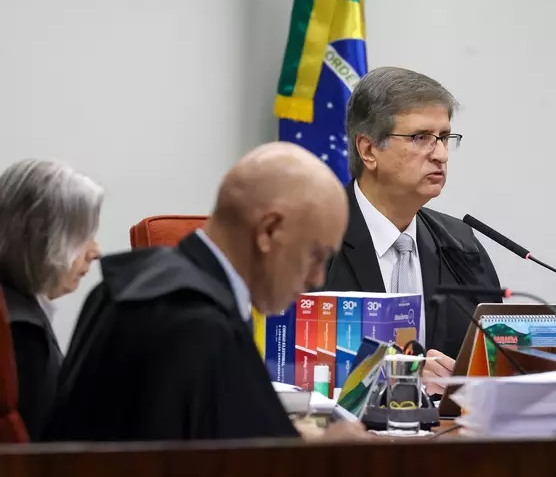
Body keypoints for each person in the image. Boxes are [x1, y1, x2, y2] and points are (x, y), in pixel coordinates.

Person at [46, 142, 368, 441]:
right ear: (268, 231)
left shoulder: (125, 283)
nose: (317, 277)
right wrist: (324, 454)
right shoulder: (199, 325)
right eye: (316, 255)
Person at [323, 67, 502, 395]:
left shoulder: (462, 245)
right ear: (368, 150)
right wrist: (397, 377)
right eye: (421, 138)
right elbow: (290, 364)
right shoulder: (313, 241)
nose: (441, 155)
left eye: (445, 138)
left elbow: (493, 358)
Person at [0, 159, 103, 441]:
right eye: (85, 236)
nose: (97, 251)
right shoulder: (23, 334)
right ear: (44, 239)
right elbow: (54, 449)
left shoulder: (13, 309)